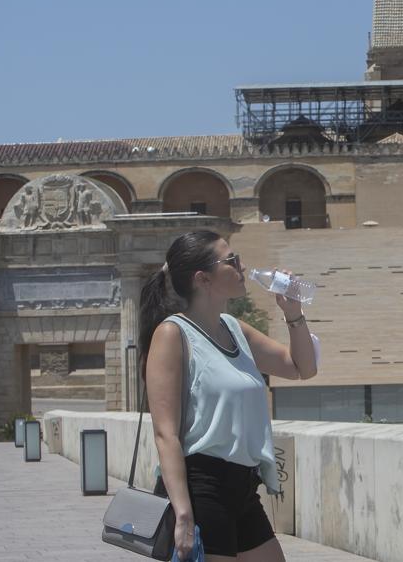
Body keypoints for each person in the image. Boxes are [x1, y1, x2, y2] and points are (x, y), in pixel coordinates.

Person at [139, 230, 320, 561]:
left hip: (243, 486)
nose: (242, 267)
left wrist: (293, 312)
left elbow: (302, 368)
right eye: (232, 261)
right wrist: (183, 514)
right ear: (203, 279)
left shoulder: (234, 328)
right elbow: (166, 434)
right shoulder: (172, 334)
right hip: (201, 487)